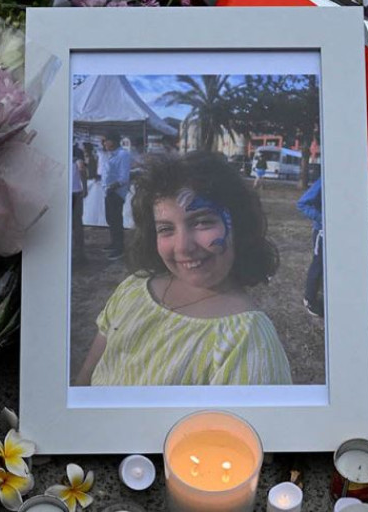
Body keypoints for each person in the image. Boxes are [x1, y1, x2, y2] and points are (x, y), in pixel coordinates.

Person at [75, 151, 292, 386]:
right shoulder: (133, 288)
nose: (183, 247)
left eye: (202, 222)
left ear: (239, 225)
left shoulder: (248, 343)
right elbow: (88, 373)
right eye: (166, 229)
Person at [100, 134, 131, 260]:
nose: (104, 144)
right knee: (110, 220)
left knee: (116, 220)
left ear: (112, 141)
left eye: (105, 141)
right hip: (108, 191)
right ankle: (114, 243)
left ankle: (119, 248)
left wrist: (111, 187)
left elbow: (124, 177)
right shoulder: (111, 155)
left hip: (116, 192)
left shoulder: (123, 155)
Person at [296, 178, 324, 317]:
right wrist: (323, 219)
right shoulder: (324, 180)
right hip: (322, 233)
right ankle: (310, 299)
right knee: (318, 265)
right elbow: (302, 203)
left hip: (340, 232)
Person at [72, 144, 88, 264]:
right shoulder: (77, 152)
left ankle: (78, 252)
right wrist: (85, 187)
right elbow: (82, 170)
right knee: (77, 223)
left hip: (70, 192)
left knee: (74, 223)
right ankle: (79, 253)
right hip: (75, 192)